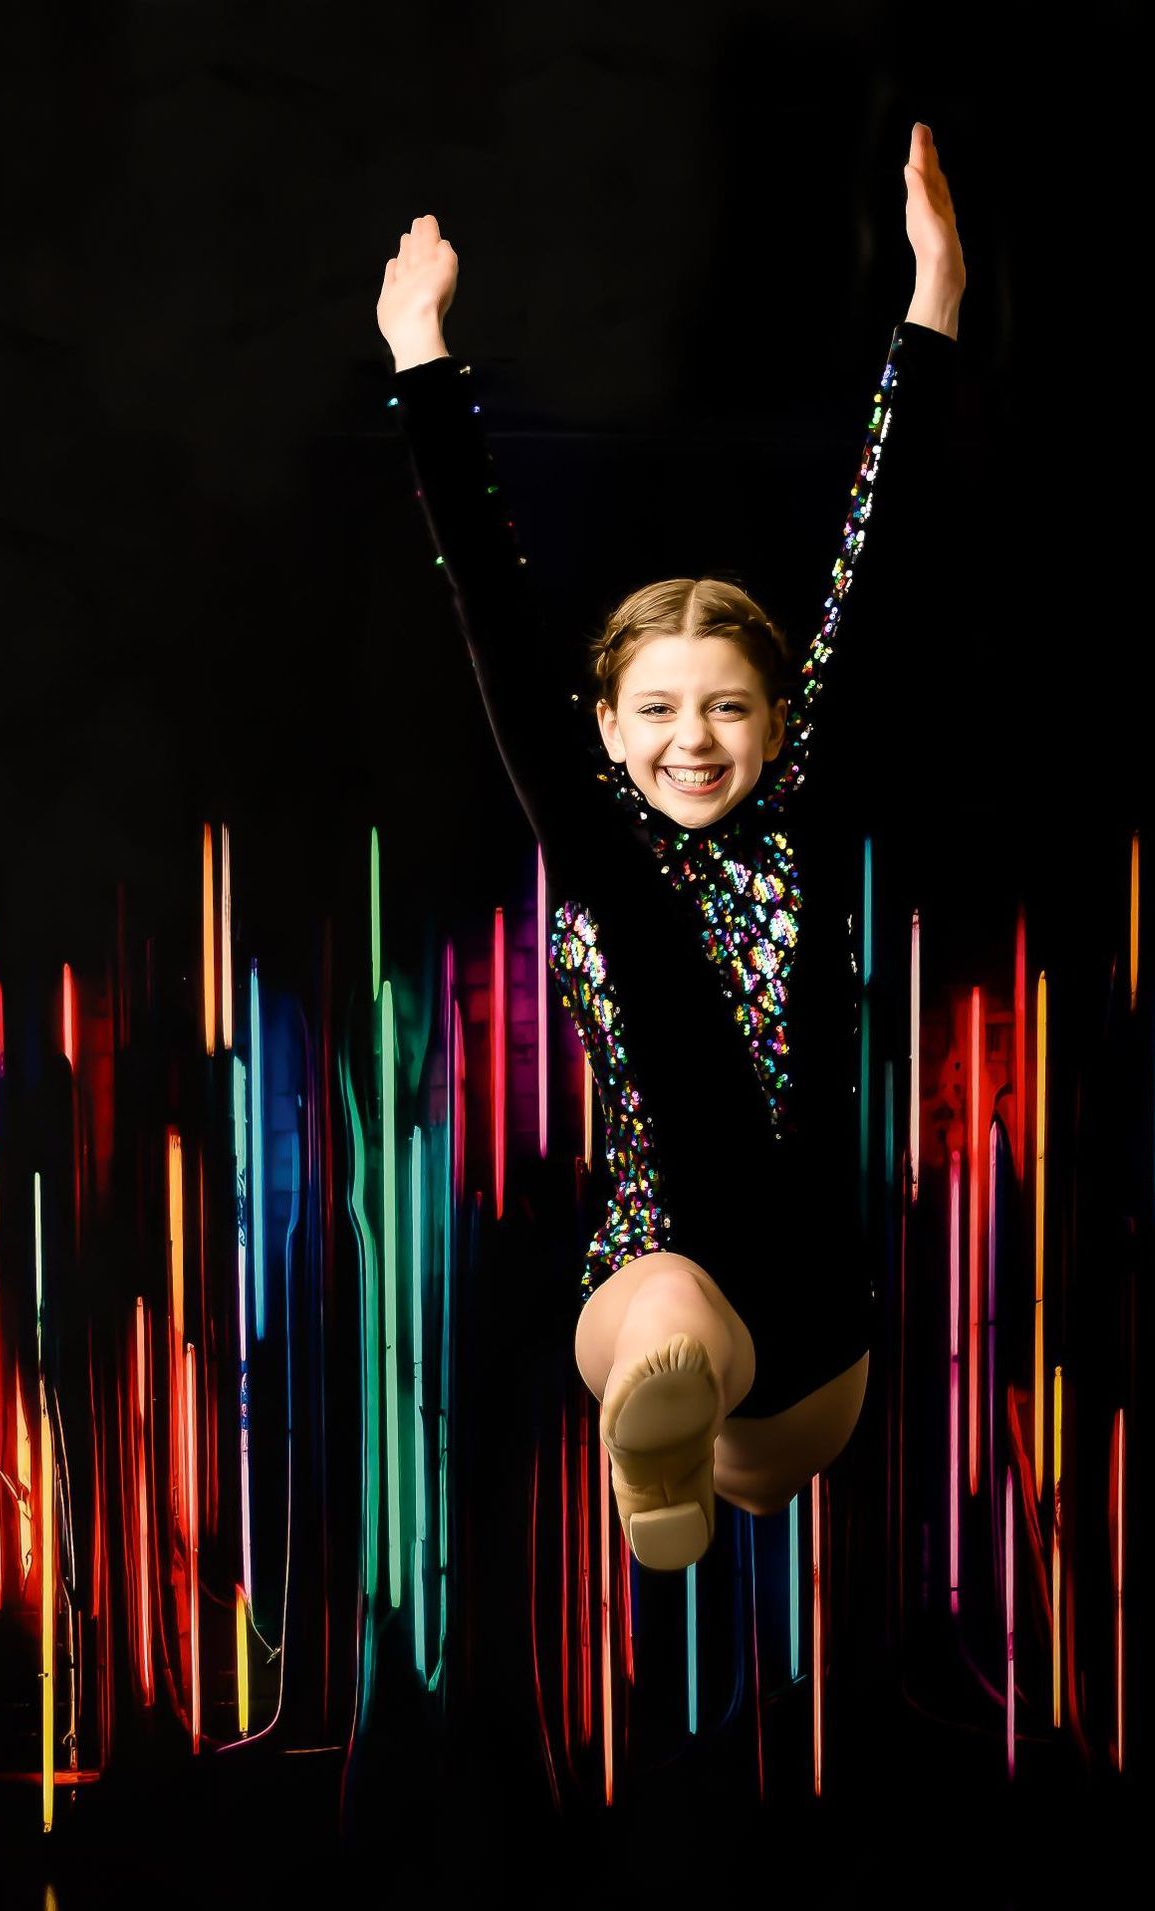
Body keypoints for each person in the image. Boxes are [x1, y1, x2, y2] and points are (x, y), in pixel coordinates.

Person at [377, 122, 966, 1571]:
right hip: (729, 1312)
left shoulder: (797, 818)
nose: (691, 739)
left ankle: (679, 1408)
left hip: (793, 1319)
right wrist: (419, 363)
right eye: (655, 708)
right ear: (602, 722)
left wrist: (935, 298)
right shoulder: (594, 830)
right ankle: (674, 1412)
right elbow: (501, 634)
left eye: (726, 707)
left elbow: (876, 570)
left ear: (780, 721)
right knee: (666, 1317)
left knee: (671, 1322)